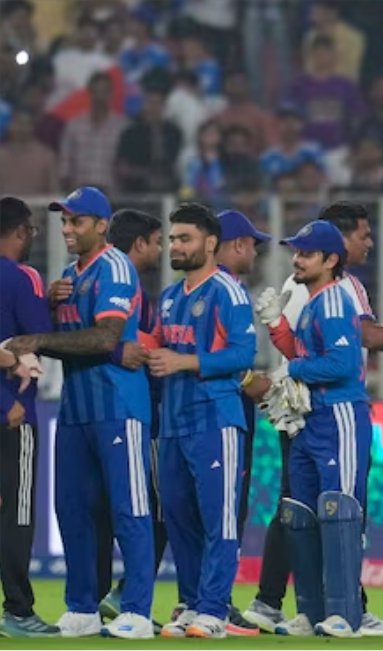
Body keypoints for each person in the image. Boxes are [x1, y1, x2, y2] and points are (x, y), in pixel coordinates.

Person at [255, 203, 383, 636]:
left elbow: (341, 364)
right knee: (300, 514)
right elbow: (306, 353)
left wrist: (289, 371)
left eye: (306, 254)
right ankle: (311, 610)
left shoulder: (333, 301)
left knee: (339, 512)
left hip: (339, 416)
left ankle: (345, 613)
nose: (297, 260)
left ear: (330, 259)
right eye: (296, 252)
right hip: (311, 417)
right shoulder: (316, 301)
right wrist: (278, 328)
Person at [6, 187, 154, 639]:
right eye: (64, 222)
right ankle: (82, 607)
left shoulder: (115, 267)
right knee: (72, 510)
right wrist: (49, 310)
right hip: (76, 409)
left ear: (102, 225)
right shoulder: (70, 276)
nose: (68, 230)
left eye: (77, 222)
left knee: (129, 508)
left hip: (118, 405)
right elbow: (65, 339)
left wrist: (39, 339)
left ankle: (137, 611)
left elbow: (105, 337)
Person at [143, 205, 255, 639]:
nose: (175, 246)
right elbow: (157, 344)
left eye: (184, 238)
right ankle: (191, 603)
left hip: (215, 418)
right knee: (178, 518)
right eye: (172, 239)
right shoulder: (171, 297)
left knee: (218, 519)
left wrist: (184, 362)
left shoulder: (228, 292)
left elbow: (243, 355)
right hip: (172, 423)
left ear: (210, 243)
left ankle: (214, 610)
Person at [96, 209, 167, 631]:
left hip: (109, 409)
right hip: (138, 411)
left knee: (116, 508)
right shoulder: (127, 286)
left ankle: (99, 599)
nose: (162, 251)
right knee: (149, 507)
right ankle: (132, 602)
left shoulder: (110, 282)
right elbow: (126, 341)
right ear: (139, 243)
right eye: (158, 242)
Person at [0, 197, 55, 637]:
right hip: (13, 414)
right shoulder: (24, 278)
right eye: (31, 230)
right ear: (20, 231)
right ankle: (18, 611)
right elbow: (39, 339)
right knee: (16, 515)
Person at [214, 209, 271, 636]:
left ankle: (196, 600)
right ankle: (216, 603)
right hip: (226, 415)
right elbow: (228, 358)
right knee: (227, 513)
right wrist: (254, 381)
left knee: (204, 514)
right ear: (237, 245)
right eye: (252, 244)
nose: (254, 252)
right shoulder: (229, 289)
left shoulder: (194, 287)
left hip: (196, 415)